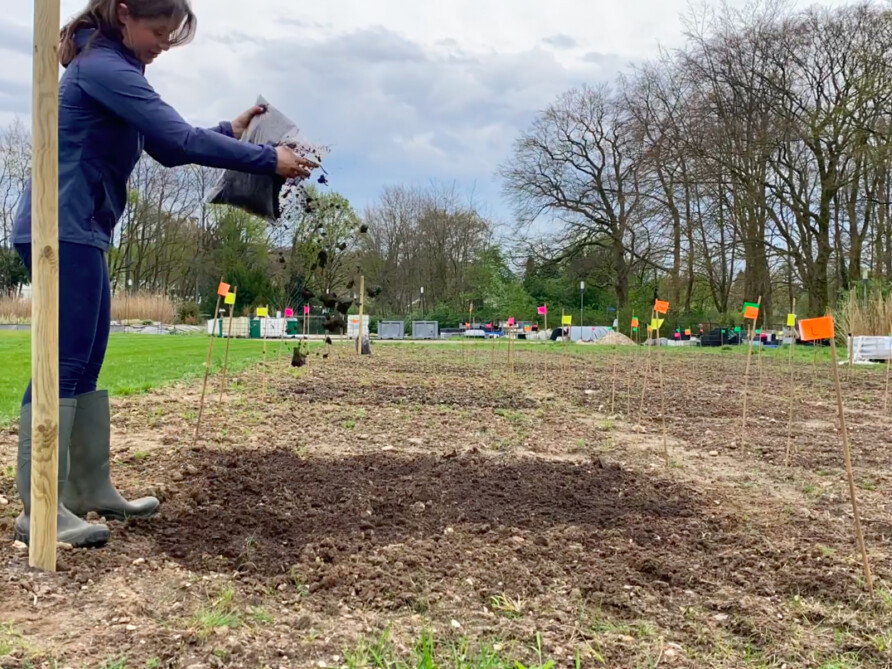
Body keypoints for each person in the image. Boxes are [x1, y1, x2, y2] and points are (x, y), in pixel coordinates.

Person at [11, 0, 318, 548]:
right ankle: (39, 507)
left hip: (83, 228)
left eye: (172, 38)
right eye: (159, 32)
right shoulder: (104, 67)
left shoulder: (116, 68)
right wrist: (268, 160)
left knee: (86, 360)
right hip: (61, 225)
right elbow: (178, 140)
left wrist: (232, 128)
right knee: (62, 361)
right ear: (124, 15)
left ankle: (86, 487)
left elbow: (164, 146)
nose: (164, 46)